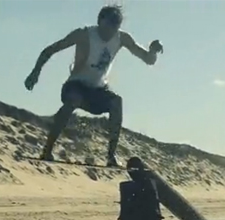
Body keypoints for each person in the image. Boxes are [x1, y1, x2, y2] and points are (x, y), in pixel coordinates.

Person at [24, 4, 163, 166]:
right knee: (73, 101)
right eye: (106, 27)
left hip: (98, 91)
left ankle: (111, 157)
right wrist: (35, 71)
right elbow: (51, 49)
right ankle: (47, 150)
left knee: (117, 102)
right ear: (100, 22)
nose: (108, 32)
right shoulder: (84, 34)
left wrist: (153, 51)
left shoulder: (122, 38)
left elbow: (148, 59)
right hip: (75, 86)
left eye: (113, 28)